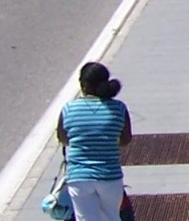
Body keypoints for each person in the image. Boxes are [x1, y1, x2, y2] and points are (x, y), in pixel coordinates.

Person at [57, 61, 133, 221]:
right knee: (112, 217)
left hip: (79, 176)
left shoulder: (69, 109)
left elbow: (63, 139)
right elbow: (126, 139)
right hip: (109, 175)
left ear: (84, 85)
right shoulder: (119, 108)